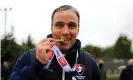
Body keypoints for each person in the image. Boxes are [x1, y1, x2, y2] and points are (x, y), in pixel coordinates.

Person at [9, 5, 100, 80]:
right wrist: (37, 65)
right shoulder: (30, 57)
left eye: (71, 26)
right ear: (52, 29)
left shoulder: (89, 62)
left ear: (78, 30)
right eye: (59, 25)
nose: (65, 32)